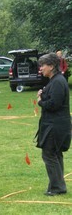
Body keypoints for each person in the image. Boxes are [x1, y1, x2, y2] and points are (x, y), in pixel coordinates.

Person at [36, 53, 71, 196]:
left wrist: (40, 101)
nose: (41, 68)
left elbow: (54, 104)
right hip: (54, 124)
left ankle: (57, 187)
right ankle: (56, 185)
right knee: (54, 154)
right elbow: (52, 97)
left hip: (56, 125)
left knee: (49, 154)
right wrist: (43, 94)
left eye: (43, 65)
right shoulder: (54, 81)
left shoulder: (57, 81)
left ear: (51, 66)